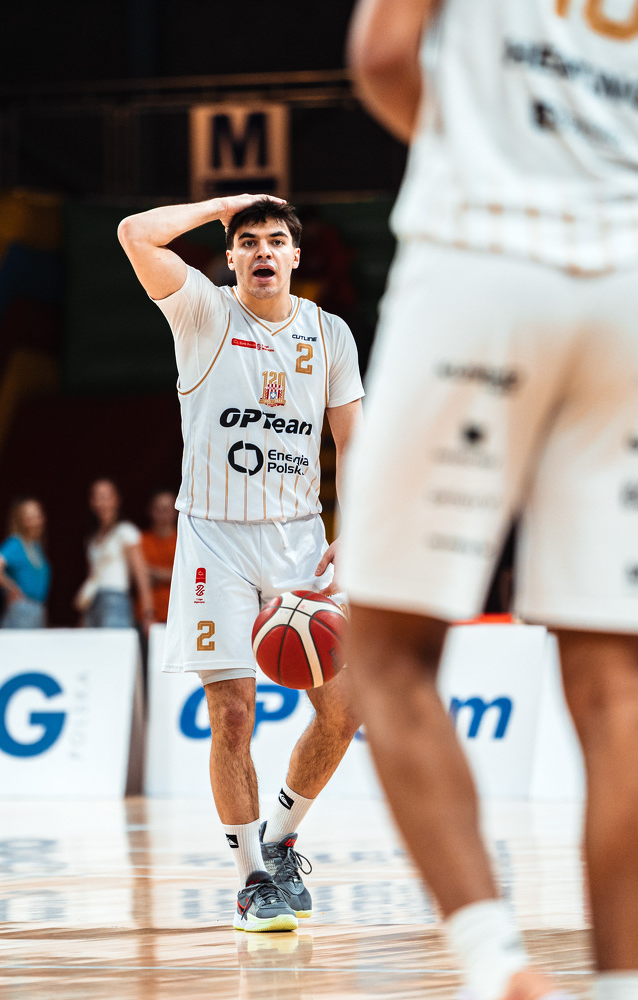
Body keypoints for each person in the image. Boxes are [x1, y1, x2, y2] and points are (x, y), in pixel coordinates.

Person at [342, 2, 638, 1000]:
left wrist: (476, 153)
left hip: (480, 256)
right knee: (618, 683)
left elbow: (384, 55)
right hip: (629, 285)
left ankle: (495, 962)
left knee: (387, 653)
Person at [118, 195, 364, 932]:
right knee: (232, 714)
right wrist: (225, 205)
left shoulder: (329, 333)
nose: (262, 250)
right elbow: (135, 233)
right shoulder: (201, 311)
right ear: (229, 258)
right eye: (247, 240)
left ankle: (281, 840)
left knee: (345, 710)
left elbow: (353, 440)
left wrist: (354, 527)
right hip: (214, 540)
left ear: (295, 257)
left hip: (298, 541)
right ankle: (253, 880)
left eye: (275, 240)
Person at [75, 478, 154, 630]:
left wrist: (147, 612)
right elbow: (92, 576)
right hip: (93, 602)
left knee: (114, 643)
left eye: (105, 497)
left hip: (115, 598)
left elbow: (140, 573)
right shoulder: (92, 539)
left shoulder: (126, 532)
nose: (101, 503)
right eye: (96, 497)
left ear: (116, 500)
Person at [0, 496, 50, 628]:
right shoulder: (16, 543)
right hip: (22, 610)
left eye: (38, 516)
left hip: (37, 610)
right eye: (30, 517)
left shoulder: (36, 547)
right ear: (22, 520)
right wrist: (10, 586)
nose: (36, 521)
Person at [141, 490, 178, 624]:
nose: (163, 515)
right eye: (159, 509)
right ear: (150, 511)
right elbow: (137, 576)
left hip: (178, 613)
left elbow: (190, 575)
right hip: (148, 616)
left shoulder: (184, 542)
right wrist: (172, 574)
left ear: (176, 512)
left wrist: (154, 574)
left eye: (167, 510)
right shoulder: (141, 540)